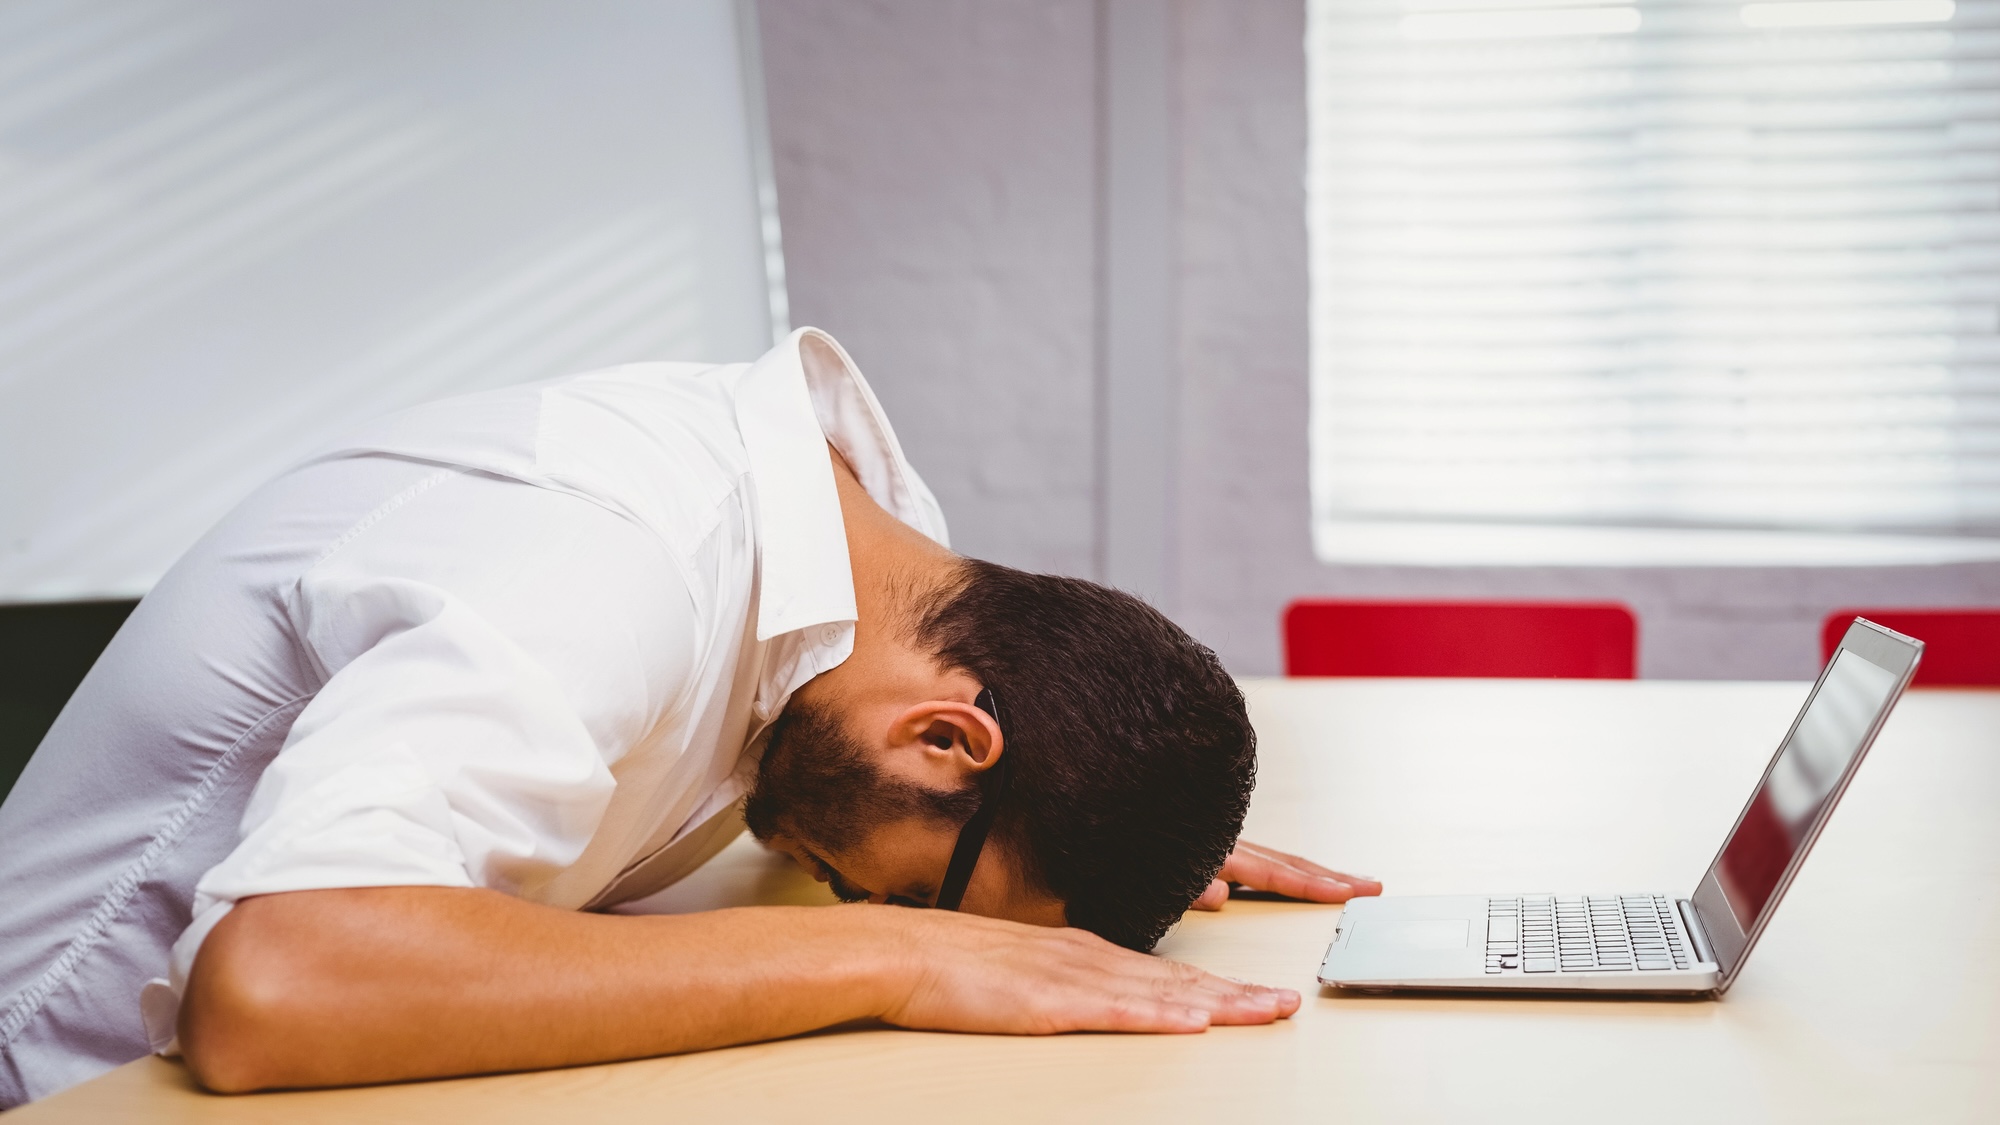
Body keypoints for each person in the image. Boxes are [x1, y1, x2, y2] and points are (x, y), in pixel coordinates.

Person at [0, 329, 1379, 1106]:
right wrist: (902, 951)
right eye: (887, 887)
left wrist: (1118, 831)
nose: (845, 892)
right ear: (948, 739)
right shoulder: (604, 561)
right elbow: (276, 983)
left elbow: (861, 800)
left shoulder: (876, 584)